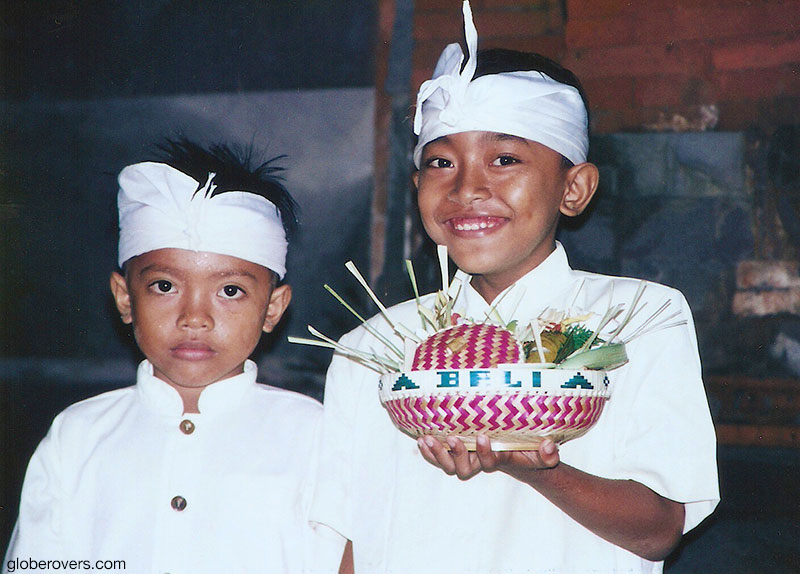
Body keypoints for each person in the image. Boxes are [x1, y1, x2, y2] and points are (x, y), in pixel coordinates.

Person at [310, 2, 719, 573]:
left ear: (573, 188)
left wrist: (534, 466)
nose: (468, 188)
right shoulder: (374, 347)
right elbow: (345, 543)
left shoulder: (639, 318)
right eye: (440, 163)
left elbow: (658, 530)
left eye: (504, 159)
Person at [4, 139, 345, 574]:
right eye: (165, 286)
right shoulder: (79, 436)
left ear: (272, 309)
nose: (194, 317)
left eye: (230, 291)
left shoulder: (313, 435)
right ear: (125, 298)